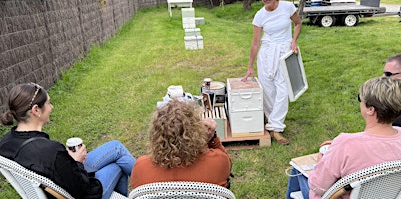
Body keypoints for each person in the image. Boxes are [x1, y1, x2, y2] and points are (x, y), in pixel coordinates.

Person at [286, 77, 401, 199]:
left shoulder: (346, 144)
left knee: (297, 170)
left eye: (361, 98)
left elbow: (318, 187)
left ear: (371, 109)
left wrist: (322, 160)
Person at [0, 83, 135, 199]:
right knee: (116, 166)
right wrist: (76, 162)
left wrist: (69, 161)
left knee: (116, 147)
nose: (51, 107)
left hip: (60, 181)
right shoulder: (52, 151)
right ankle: (150, 187)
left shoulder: (6, 142)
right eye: (48, 103)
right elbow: (85, 191)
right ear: (36, 110)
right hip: (81, 192)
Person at [242, 0, 302, 145]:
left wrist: (294, 40)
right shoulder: (260, 15)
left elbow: (297, 24)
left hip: (284, 52)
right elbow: (255, 42)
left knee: (283, 90)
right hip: (267, 54)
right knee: (268, 90)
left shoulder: (287, 7)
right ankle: (271, 121)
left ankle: (276, 128)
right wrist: (250, 67)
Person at [131, 99, 232, 188]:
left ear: (156, 134)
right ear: (196, 131)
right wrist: (212, 140)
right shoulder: (217, 162)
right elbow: (227, 166)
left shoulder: (141, 168)